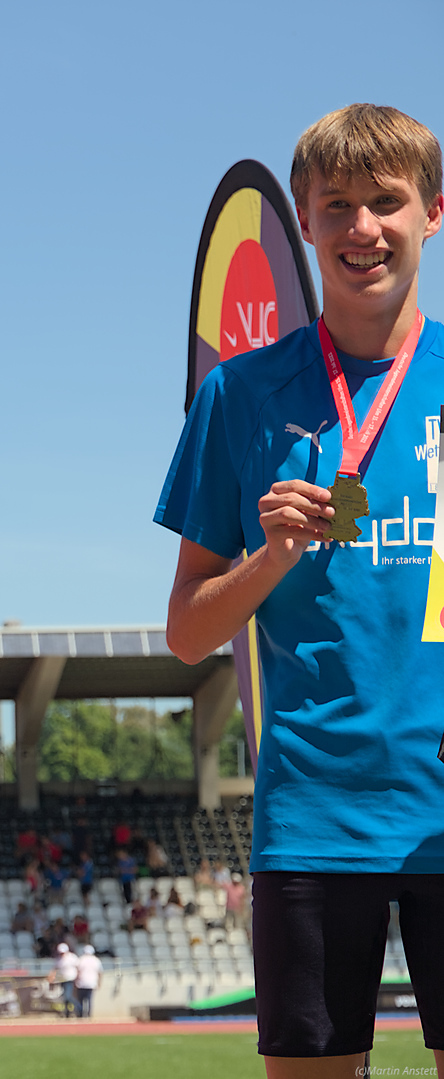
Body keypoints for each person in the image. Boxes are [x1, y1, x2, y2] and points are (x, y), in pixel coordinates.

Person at [158, 102, 444, 1074]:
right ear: (307, 220)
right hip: (316, 819)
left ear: (433, 212)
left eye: (387, 201)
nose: (364, 227)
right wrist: (269, 556)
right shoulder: (238, 394)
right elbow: (186, 632)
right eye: (337, 205)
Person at [50, 942, 79, 1019]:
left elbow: (78, 968)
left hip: (70, 979)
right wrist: (52, 977)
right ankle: (67, 1013)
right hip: (63, 980)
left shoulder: (72, 957)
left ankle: (79, 1008)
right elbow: (55, 968)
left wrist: (77, 978)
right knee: (65, 998)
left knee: (68, 997)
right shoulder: (59, 959)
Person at [73, 945, 102, 1019]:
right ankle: (89, 1015)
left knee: (80, 1000)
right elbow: (100, 972)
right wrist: (99, 983)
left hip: (81, 983)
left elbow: (77, 972)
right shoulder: (96, 960)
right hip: (91, 983)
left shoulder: (80, 960)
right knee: (89, 1000)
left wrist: (75, 981)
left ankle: (80, 1014)